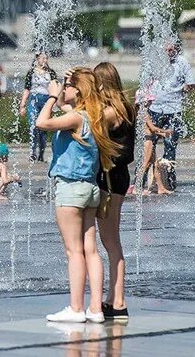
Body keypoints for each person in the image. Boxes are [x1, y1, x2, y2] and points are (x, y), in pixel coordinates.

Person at [37, 68, 120, 323]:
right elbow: (67, 104)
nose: (64, 91)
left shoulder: (77, 118)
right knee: (91, 251)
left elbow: (42, 123)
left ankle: (75, 308)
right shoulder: (95, 117)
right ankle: (95, 309)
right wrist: (64, 82)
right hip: (90, 190)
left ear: (79, 91)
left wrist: (50, 97)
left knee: (74, 252)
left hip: (71, 189)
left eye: (69, 87)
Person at [91, 62, 136, 321]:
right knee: (112, 241)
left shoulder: (108, 113)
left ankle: (117, 299)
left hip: (107, 177)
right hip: (119, 177)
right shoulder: (127, 108)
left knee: (109, 241)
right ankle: (114, 296)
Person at [148, 42, 195, 189]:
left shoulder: (182, 62)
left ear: (176, 49)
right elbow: (146, 82)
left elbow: (192, 83)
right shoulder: (154, 61)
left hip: (173, 110)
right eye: (166, 48)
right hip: (154, 108)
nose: (168, 51)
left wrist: (181, 94)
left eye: (171, 48)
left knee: (170, 147)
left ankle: (168, 182)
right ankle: (146, 181)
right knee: (149, 145)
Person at [129, 88, 174, 196]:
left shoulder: (140, 112)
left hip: (148, 138)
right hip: (147, 140)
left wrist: (162, 134)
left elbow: (148, 129)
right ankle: (136, 187)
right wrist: (165, 130)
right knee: (145, 164)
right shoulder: (144, 112)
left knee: (155, 164)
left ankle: (161, 187)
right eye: (149, 100)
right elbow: (152, 128)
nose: (151, 102)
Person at [19, 52, 57, 162]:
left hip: (46, 100)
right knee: (33, 125)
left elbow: (55, 88)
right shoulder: (31, 72)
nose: (45, 60)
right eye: (42, 58)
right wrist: (22, 105)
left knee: (43, 128)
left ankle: (41, 153)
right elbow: (27, 89)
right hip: (33, 99)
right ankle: (32, 153)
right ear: (37, 59)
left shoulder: (51, 73)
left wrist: (53, 104)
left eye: (46, 58)